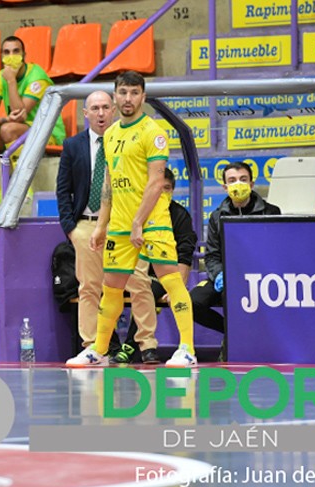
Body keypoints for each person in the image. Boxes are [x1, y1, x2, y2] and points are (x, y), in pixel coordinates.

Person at [67, 71, 197, 368]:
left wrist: (139, 221)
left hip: (153, 221)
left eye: (134, 92)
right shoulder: (110, 134)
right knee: (111, 287)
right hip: (120, 225)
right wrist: (101, 225)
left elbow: (156, 182)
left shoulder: (154, 132)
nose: (128, 98)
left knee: (171, 281)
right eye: (123, 92)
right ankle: (98, 350)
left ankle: (186, 348)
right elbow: (109, 183)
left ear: (143, 96)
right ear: (115, 96)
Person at [56, 90, 159, 364]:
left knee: (138, 283)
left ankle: (147, 343)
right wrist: (72, 229)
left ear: (113, 110)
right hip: (87, 226)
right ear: (85, 113)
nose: (101, 113)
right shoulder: (72, 145)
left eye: (105, 107)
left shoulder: (127, 137)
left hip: (125, 224)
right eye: (95, 108)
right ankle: (92, 347)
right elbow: (62, 190)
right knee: (89, 288)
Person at [190, 161, 280, 358]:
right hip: (226, 276)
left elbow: (275, 251)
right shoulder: (216, 216)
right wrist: (220, 274)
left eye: (243, 179)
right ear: (224, 187)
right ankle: (232, 334)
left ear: (252, 183)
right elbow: (212, 255)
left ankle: (237, 340)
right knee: (193, 301)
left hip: (260, 277)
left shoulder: (271, 211)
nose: (238, 184)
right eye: (232, 180)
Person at [115, 168, 198, 364]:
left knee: (147, 288)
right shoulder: (137, 213)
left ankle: (132, 345)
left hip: (165, 275)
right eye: (158, 188)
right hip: (135, 273)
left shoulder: (179, 215)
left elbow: (185, 252)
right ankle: (107, 346)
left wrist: (179, 284)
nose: (162, 193)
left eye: (166, 188)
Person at [0, 36, 65, 199]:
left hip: (47, 131)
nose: (11, 56)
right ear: (2, 56)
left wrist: (11, 82)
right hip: (17, 130)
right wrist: (4, 119)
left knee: (9, 129)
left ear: (24, 54)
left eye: (16, 51)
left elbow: (20, 114)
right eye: (7, 52)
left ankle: (22, 186)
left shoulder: (37, 77)